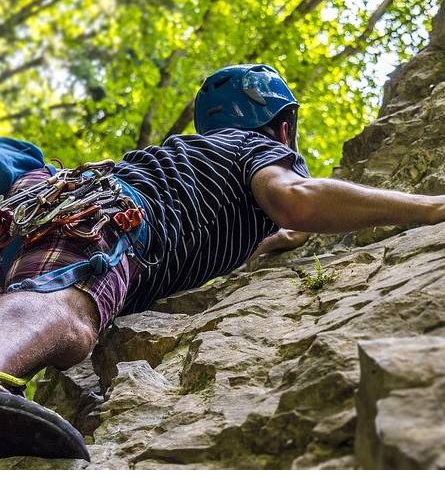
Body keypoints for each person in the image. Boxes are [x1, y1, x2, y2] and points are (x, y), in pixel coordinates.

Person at [0, 63, 444, 459]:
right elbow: (295, 200)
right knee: (66, 311)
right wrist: (430, 208)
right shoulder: (256, 148)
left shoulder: (201, 175)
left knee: (49, 312)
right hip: (105, 216)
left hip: (35, 212)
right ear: (283, 129)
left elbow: (279, 232)